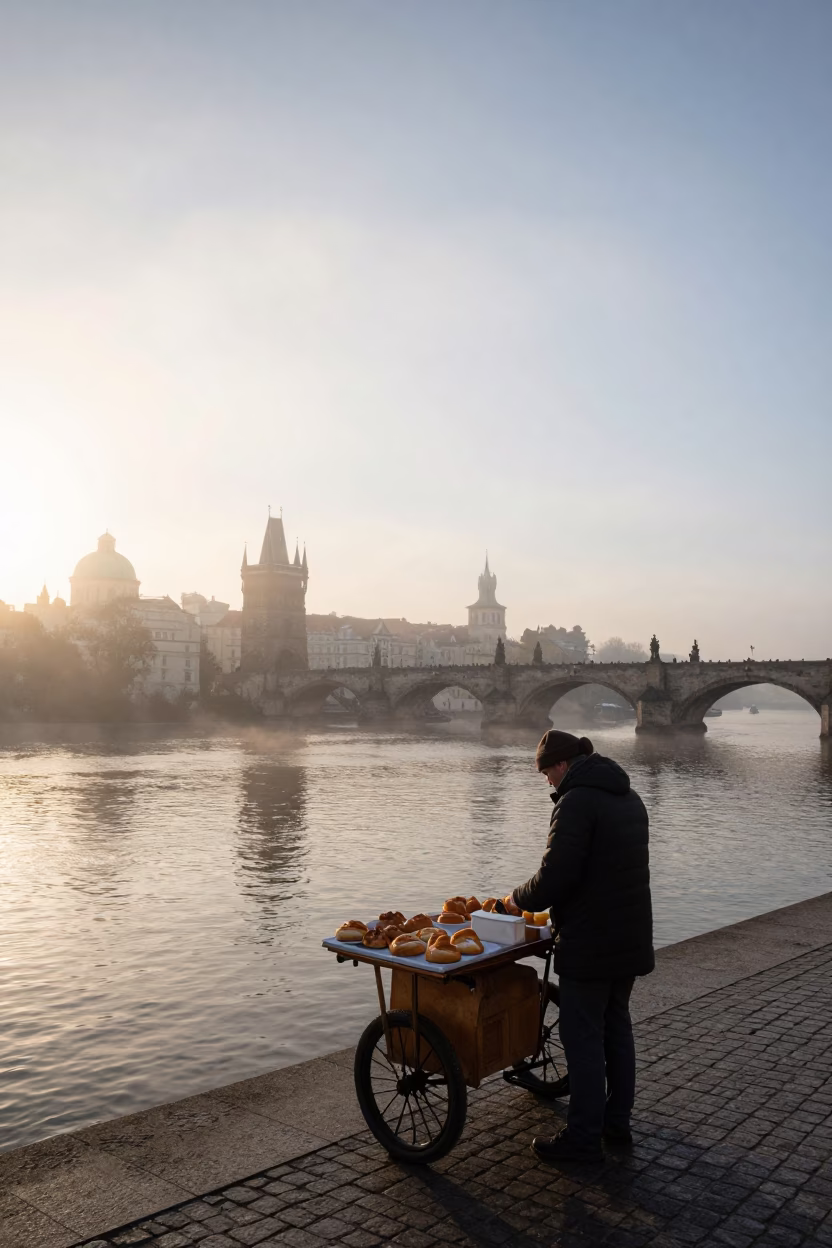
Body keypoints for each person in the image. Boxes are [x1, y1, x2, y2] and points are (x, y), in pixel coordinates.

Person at [511, 729, 654, 1164]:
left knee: (583, 1039)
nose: (547, 783)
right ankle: (617, 1123)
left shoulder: (576, 802)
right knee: (617, 1030)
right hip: (628, 936)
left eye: (545, 774)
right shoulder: (628, 796)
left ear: (560, 765)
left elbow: (556, 876)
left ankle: (583, 1137)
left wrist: (516, 900)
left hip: (590, 940)